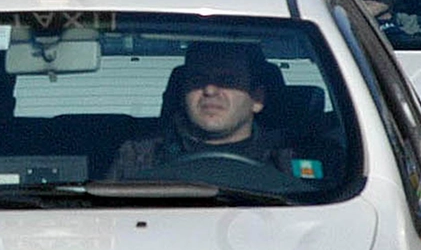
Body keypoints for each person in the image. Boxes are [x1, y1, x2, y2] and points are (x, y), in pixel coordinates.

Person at [108, 42, 292, 180]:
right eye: (198, 79)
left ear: (257, 99)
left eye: (226, 80)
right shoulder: (140, 157)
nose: (210, 91)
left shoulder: (286, 159)